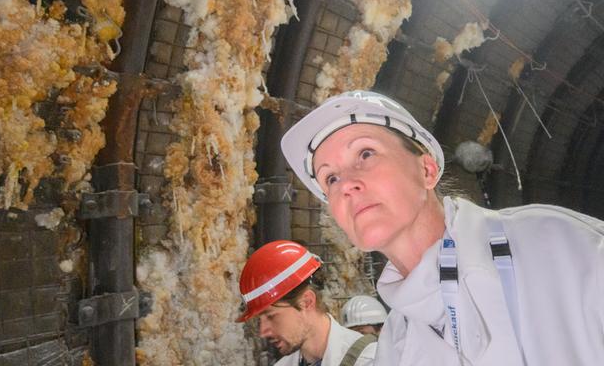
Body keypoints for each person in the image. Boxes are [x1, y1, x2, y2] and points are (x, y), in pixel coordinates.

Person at [280, 89, 604, 365]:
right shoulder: (395, 345)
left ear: (427, 170)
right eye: (330, 178)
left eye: (365, 153)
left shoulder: (554, 245)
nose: (346, 184)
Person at [237, 240, 376, 366]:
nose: (263, 332)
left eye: (271, 316)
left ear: (307, 302)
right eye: (259, 320)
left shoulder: (370, 360)